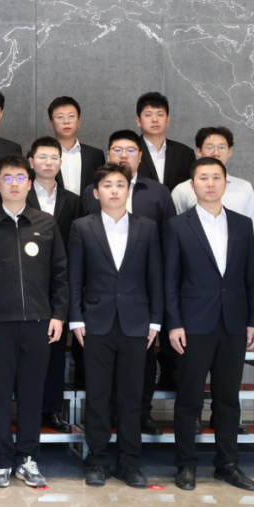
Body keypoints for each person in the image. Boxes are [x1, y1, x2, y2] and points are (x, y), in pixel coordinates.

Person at [166, 157, 254, 492]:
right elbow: (170, 280)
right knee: (189, 399)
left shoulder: (241, 224)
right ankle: (185, 465)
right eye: (203, 178)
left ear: (225, 182)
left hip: (234, 323)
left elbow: (252, 277)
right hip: (193, 324)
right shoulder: (178, 225)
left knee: (228, 399)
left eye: (216, 177)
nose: (210, 183)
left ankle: (228, 465)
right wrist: (174, 323)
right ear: (192, 184)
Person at [0, 154, 67, 488]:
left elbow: (60, 274)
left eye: (20, 178)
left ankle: (27, 458)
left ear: (30, 183)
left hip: (39, 322)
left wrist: (58, 315)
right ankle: (0, 461)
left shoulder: (46, 223)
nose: (14, 184)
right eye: (7, 178)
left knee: (31, 394)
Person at [69, 163, 163, 488]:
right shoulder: (82, 227)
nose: (114, 190)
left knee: (131, 397)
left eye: (120, 185)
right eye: (107, 185)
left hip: (137, 323)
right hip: (95, 321)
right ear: (96, 193)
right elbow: (74, 277)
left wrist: (155, 320)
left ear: (128, 190)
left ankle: (129, 462)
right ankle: (97, 460)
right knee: (97, 394)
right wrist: (76, 317)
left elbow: (155, 277)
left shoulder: (147, 227)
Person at [80, 130, 175, 433]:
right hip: (101, 304)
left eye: (130, 150)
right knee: (99, 381)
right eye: (117, 150)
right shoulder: (89, 197)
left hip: (140, 302)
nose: (123, 155)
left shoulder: (158, 194)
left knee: (139, 373)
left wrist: (157, 313)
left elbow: (166, 250)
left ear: (140, 156)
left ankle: (139, 421)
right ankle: (102, 435)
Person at [26, 137, 82, 433]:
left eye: (54, 158)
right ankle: (26, 409)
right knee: (25, 353)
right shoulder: (19, 195)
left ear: (61, 163)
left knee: (55, 351)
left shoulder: (73, 201)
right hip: (25, 283)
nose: (48, 163)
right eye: (42, 157)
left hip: (59, 284)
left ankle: (52, 410)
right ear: (31, 161)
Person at [171, 127, 254, 231]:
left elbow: (249, 229)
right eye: (210, 147)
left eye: (222, 147)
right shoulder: (182, 190)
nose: (216, 153)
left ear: (229, 151)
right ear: (199, 151)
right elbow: (176, 228)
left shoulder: (244, 187)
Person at [135, 92, 195, 190]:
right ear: (138, 121)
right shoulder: (129, 152)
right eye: (148, 115)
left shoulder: (185, 154)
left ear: (168, 120)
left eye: (160, 114)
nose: (155, 119)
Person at [47, 96, 104, 196]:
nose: (66, 121)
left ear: (79, 122)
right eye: (60, 117)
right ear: (51, 124)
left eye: (71, 116)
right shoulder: (40, 155)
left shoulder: (95, 155)